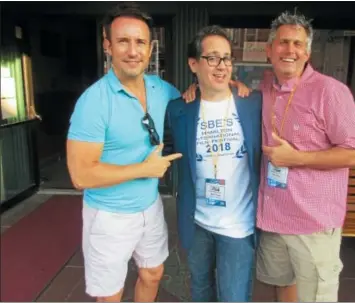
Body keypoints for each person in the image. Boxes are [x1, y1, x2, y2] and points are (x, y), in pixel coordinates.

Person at [66, 3, 183, 302]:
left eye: (140, 42)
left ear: (150, 47)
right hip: (109, 216)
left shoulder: (162, 89)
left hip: (150, 206)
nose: (133, 51)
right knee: (110, 295)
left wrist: (229, 86)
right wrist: (144, 170)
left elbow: (191, 103)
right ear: (108, 46)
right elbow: (80, 175)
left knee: (153, 273)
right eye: (123, 41)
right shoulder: (93, 102)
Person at [255, 12, 355, 302]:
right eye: (282, 42)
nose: (289, 50)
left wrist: (297, 158)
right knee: (283, 286)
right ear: (269, 50)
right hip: (274, 217)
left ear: (307, 52)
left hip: (312, 222)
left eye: (297, 44)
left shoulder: (330, 91)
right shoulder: (265, 87)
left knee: (316, 296)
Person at [166, 25, 263, 302]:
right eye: (212, 58)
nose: (222, 66)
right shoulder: (179, 109)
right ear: (193, 64)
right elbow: (166, 150)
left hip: (238, 226)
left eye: (227, 58)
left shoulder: (253, 104)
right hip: (197, 223)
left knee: (233, 297)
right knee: (200, 292)